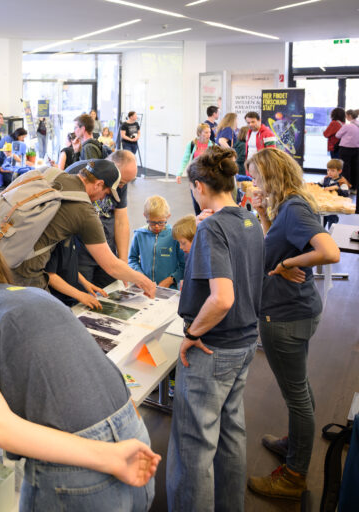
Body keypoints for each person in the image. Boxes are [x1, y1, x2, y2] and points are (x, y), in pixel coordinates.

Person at [0, 239, 160, 511]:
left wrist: (109, 456)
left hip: (92, 464)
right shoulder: (38, 295)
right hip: (135, 436)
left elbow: (0, 429)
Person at [165, 146, 265, 511]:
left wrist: (192, 335)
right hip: (243, 342)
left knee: (194, 444)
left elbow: (222, 298)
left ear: (199, 186)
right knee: (231, 435)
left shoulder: (212, 230)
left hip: (213, 347)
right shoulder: (250, 221)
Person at [246, 148, 340, 501]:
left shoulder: (295, 208)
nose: (253, 182)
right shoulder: (288, 206)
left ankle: (294, 475)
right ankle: (295, 444)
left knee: (297, 396)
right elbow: (276, 243)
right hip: (296, 310)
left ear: (271, 175)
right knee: (298, 389)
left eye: (256, 175)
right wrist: (261, 215)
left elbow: (329, 252)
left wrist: (287, 264)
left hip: (286, 316)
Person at [11, 157, 154, 298]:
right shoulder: (84, 210)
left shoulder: (52, 174)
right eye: (106, 193)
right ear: (98, 184)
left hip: (8, 255)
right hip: (29, 273)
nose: (102, 198)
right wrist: (143, 280)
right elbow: (111, 265)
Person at [75, 150, 137, 289]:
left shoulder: (121, 182)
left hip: (107, 253)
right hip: (80, 256)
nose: (121, 186)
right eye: (120, 183)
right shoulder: (81, 175)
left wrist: (122, 262)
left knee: (110, 295)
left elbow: (121, 221)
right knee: (80, 299)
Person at [128, 195, 185, 290]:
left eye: (161, 222)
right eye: (152, 222)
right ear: (145, 216)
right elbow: (132, 259)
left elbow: (184, 265)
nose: (157, 226)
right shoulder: (139, 235)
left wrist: (171, 279)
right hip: (144, 287)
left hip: (169, 288)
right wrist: (140, 276)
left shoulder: (175, 236)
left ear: (168, 217)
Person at [45, 236, 106, 309]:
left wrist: (85, 283)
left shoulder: (71, 237)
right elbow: (50, 275)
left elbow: (68, 265)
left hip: (71, 296)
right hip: (59, 300)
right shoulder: (55, 240)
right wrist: (79, 295)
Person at [318, 158, 351, 228]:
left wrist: (337, 188)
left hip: (334, 207)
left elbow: (346, 194)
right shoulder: (326, 178)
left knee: (332, 223)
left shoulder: (342, 182)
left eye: (332, 171)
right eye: (328, 170)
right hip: (325, 204)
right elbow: (318, 185)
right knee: (321, 222)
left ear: (339, 171)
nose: (329, 172)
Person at [336, 108, 359, 193]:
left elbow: (337, 135)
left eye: (346, 115)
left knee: (345, 168)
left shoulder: (347, 126)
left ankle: (345, 188)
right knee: (355, 168)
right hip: (356, 149)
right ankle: (354, 188)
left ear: (349, 116)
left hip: (346, 149)